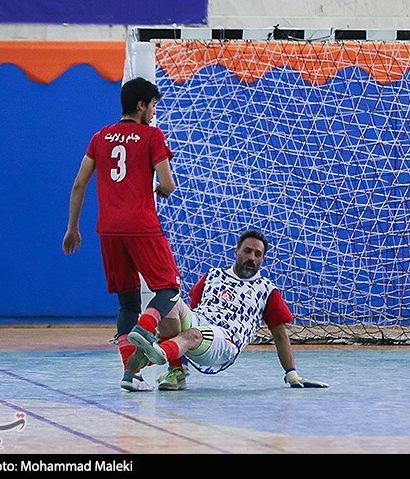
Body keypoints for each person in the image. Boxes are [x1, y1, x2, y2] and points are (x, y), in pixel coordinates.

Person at [63, 77, 183, 393]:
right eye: (154, 105)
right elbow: (168, 184)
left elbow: (78, 184)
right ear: (141, 105)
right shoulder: (152, 136)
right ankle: (147, 328)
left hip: (109, 229)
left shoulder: (100, 137)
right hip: (142, 226)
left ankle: (130, 375)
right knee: (169, 288)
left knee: (127, 302)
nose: (155, 112)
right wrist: (161, 189)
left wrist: (73, 227)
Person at [127, 230, 328, 390]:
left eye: (258, 255)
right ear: (236, 251)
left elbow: (280, 335)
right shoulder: (212, 276)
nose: (252, 257)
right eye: (248, 251)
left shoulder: (267, 290)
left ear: (263, 260)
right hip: (200, 326)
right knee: (172, 299)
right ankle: (163, 366)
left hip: (227, 340)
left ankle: (157, 351)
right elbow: (191, 311)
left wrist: (291, 373)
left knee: (192, 335)